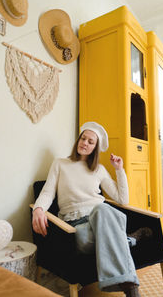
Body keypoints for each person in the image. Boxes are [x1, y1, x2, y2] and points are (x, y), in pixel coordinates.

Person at [32, 121, 149, 297]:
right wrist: (38, 209)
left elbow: (122, 200)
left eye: (90, 141)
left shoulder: (100, 170)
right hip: (75, 227)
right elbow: (47, 192)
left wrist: (119, 170)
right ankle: (126, 240)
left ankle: (132, 291)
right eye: (83, 138)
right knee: (92, 232)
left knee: (102, 209)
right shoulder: (60, 164)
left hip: (101, 218)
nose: (85, 143)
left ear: (96, 148)